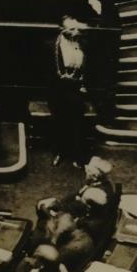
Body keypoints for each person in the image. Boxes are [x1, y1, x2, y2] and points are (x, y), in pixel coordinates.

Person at [50, 16, 88, 167]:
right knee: (60, 120)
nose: (76, 32)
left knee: (77, 120)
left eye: (77, 28)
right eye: (71, 29)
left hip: (78, 87)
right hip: (57, 89)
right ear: (62, 30)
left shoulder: (83, 44)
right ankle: (59, 152)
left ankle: (77, 155)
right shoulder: (52, 45)